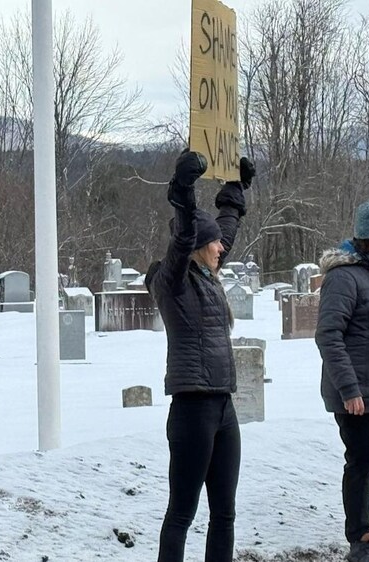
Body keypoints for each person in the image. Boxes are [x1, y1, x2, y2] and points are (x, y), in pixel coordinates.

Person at [145, 151, 254, 562]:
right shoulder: (172, 282)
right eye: (211, 244)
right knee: (182, 514)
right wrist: (184, 191)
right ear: (195, 248)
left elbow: (223, 228)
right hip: (192, 409)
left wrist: (235, 190)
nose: (219, 248)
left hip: (223, 406)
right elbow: (187, 233)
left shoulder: (210, 273)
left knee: (224, 512)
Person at [315, 200, 369, 562]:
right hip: (356, 393)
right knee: (362, 462)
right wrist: (349, 389)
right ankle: (360, 540)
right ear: (364, 239)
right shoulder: (343, 277)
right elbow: (329, 335)